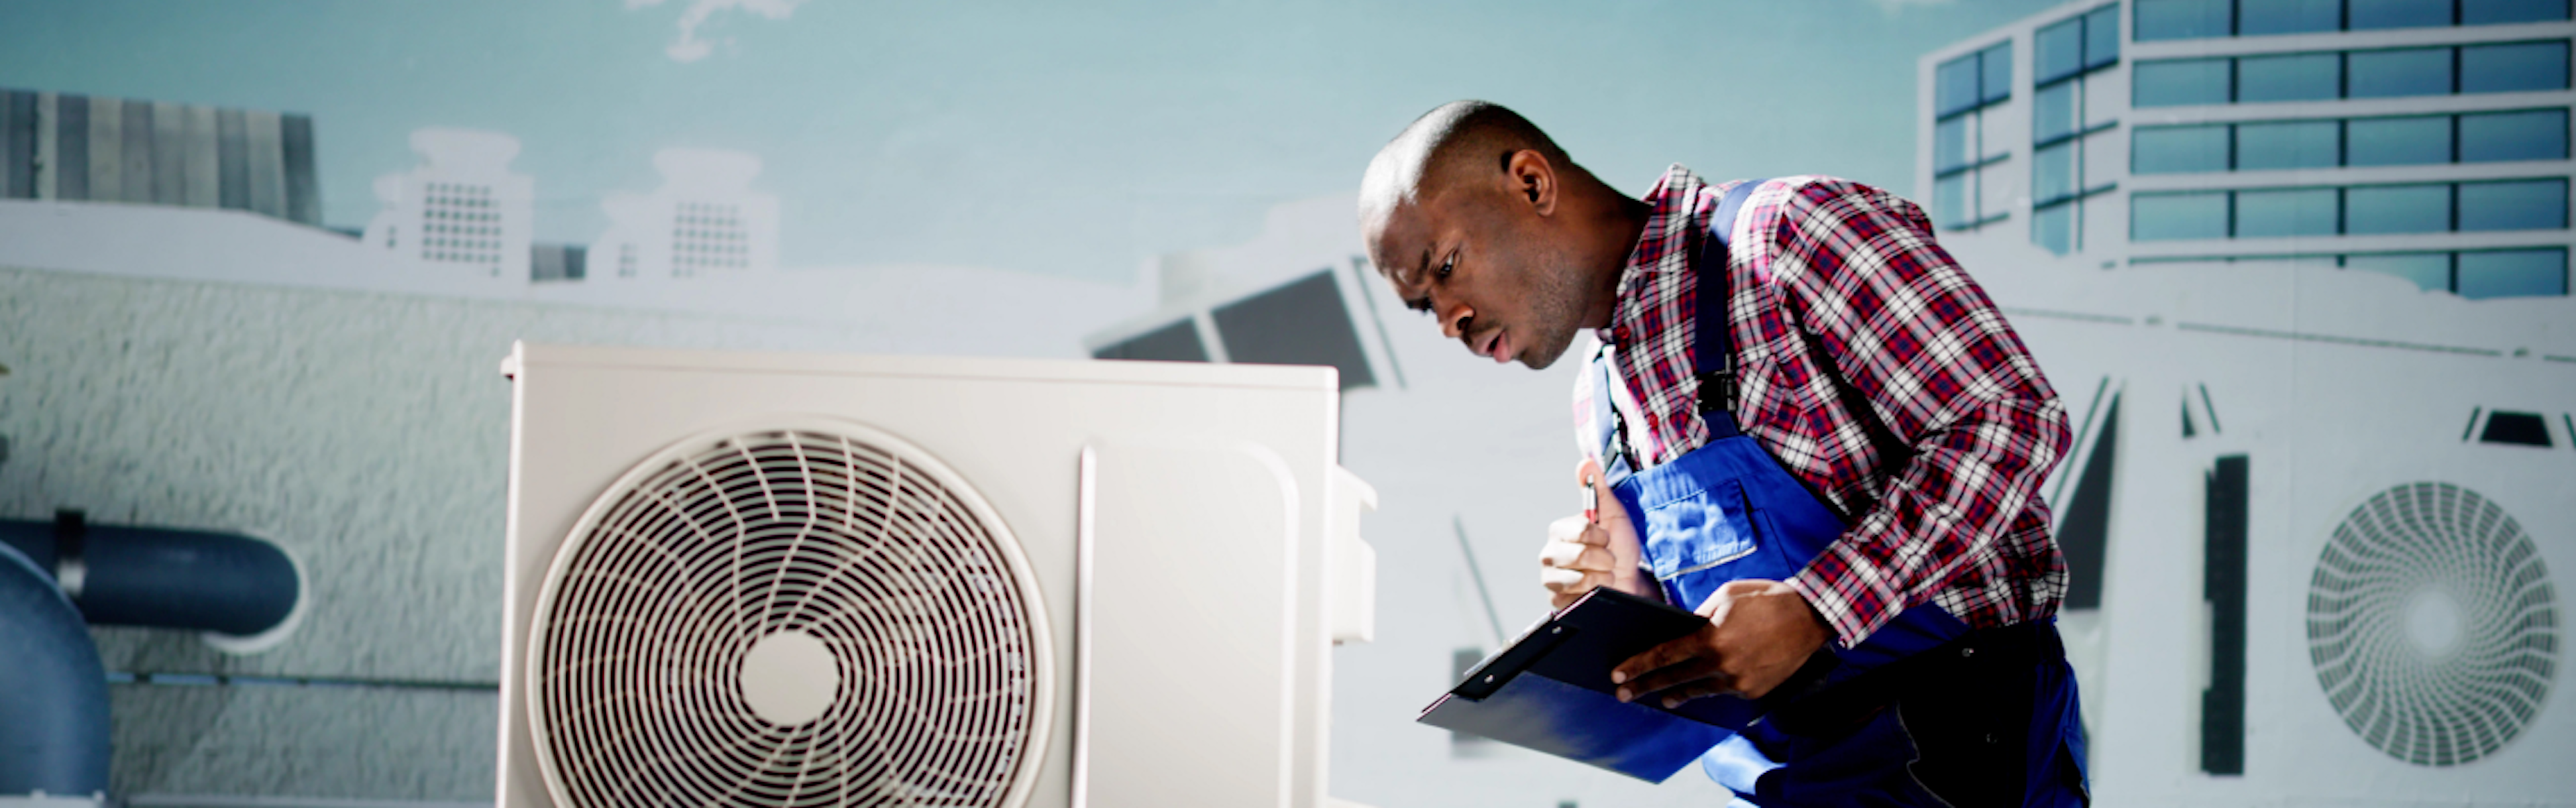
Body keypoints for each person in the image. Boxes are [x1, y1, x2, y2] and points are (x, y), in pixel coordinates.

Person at [1358, 99, 2087, 807]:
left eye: (1446, 265)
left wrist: (1817, 607)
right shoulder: (1600, 392)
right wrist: (1621, 597)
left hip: (1953, 747)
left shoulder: (1790, 234)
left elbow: (2009, 420)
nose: (1449, 320)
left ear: (1531, 182)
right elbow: (1722, 626)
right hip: (1784, 776)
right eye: (1423, 306)